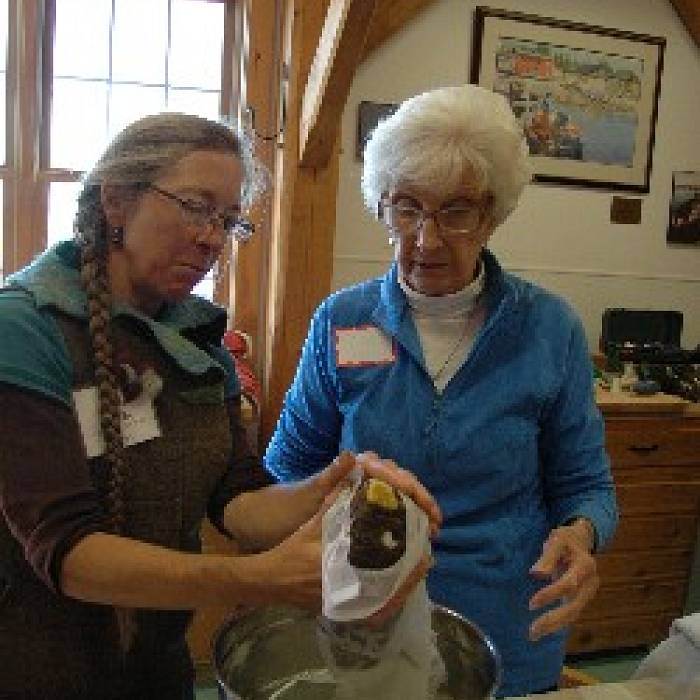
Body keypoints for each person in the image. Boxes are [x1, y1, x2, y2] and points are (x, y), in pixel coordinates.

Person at [0, 113, 441, 700]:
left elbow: (236, 499)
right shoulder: (25, 330)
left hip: (155, 671)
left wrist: (335, 488)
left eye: (228, 220)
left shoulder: (198, 340)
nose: (212, 238)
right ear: (115, 201)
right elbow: (67, 551)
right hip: (33, 669)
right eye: (194, 206)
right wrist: (254, 579)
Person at [264, 85, 618, 698]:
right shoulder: (342, 321)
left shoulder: (549, 328)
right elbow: (289, 468)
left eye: (456, 212)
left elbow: (587, 486)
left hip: (507, 614)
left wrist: (582, 535)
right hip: (366, 610)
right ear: (382, 207)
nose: (426, 240)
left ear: (493, 214)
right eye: (407, 208)